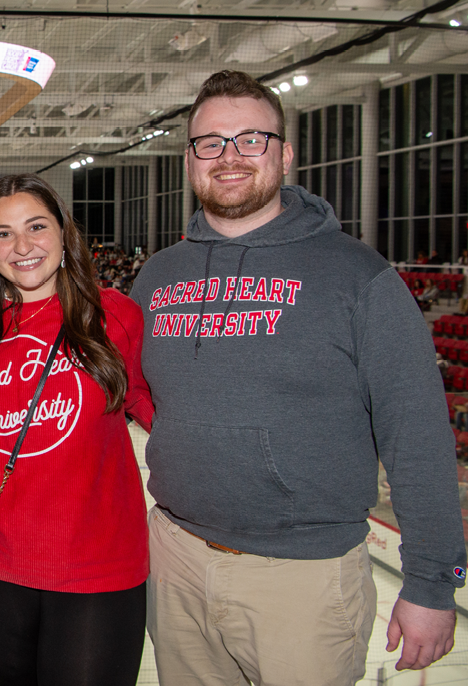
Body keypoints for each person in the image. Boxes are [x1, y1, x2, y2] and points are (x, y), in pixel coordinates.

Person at [129, 69, 465, 684]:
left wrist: (433, 582)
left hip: (303, 579)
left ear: (285, 155)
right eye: (210, 143)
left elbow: (417, 437)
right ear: (189, 161)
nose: (229, 157)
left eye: (250, 140)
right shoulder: (157, 277)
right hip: (174, 559)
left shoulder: (358, 277)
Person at [0, 174, 153, 686]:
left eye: (36, 226)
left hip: (96, 569)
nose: (23, 246)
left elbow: (159, 407)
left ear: (63, 232)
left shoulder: (116, 317)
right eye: (2, 233)